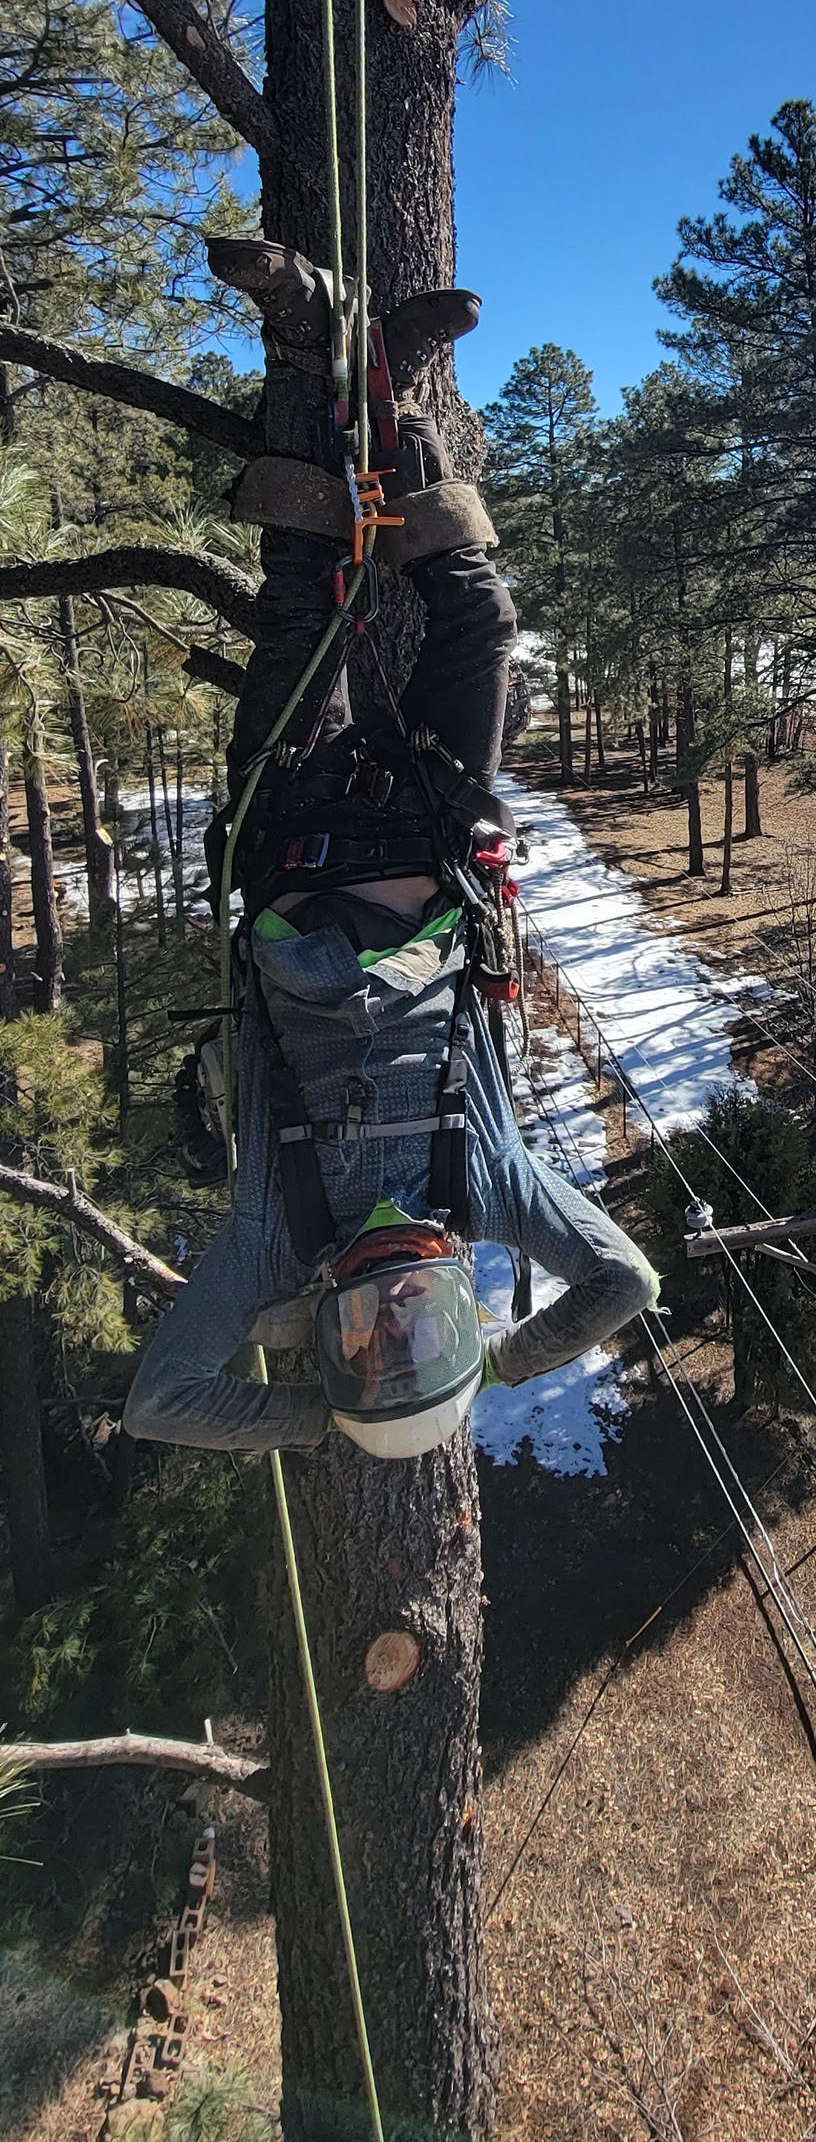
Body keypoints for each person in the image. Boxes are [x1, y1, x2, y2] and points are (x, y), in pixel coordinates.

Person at [122, 243, 656, 1459]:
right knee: (474, 612)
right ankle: (399, 387)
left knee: (304, 594)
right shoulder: (490, 1199)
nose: (396, 1313)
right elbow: (624, 1281)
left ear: (324, 1327)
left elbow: (164, 1400)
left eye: (369, 1343)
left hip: (292, 846)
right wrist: (509, 1369)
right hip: (426, 833)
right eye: (430, 1340)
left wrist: (310, 1420)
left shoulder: (276, 1240)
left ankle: (302, 331)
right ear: (465, 1317)